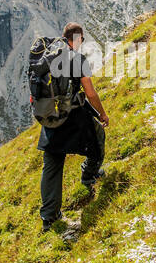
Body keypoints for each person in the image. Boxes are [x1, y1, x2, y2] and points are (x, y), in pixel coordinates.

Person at [38, 22, 110, 231]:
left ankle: (49, 218)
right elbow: (90, 92)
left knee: (51, 165)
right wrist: (102, 114)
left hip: (51, 118)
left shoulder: (46, 57)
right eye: (82, 39)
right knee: (97, 139)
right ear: (77, 38)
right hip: (74, 116)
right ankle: (90, 175)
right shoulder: (77, 59)